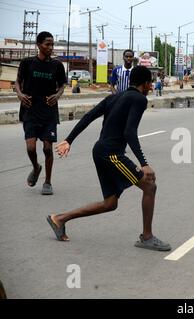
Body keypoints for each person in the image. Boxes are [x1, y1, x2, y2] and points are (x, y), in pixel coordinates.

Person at [48, 66, 171, 251]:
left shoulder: (113, 97)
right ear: (146, 83)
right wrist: (144, 164)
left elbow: (88, 117)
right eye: (150, 82)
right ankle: (147, 237)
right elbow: (130, 132)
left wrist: (69, 140)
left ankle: (59, 219)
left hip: (100, 150)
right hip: (111, 154)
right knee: (149, 186)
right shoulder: (139, 99)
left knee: (110, 203)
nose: (151, 86)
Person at [15, 31, 66, 196]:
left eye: (52, 44)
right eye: (47, 44)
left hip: (49, 112)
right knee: (30, 148)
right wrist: (20, 95)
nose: (51, 47)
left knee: (47, 148)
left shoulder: (57, 65)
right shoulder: (27, 63)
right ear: (39, 45)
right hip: (30, 110)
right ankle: (36, 167)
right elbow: (17, 82)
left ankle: (48, 181)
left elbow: (62, 85)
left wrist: (57, 96)